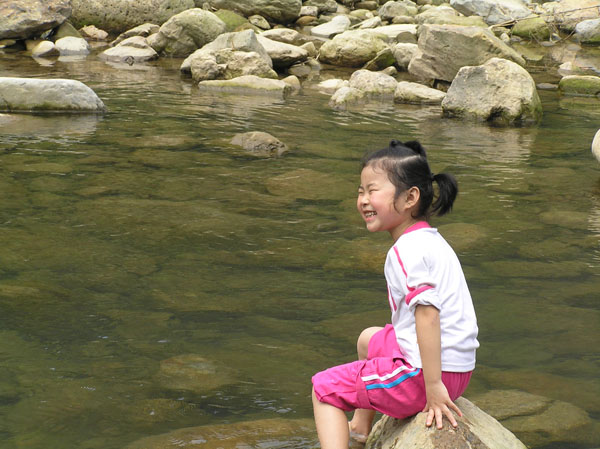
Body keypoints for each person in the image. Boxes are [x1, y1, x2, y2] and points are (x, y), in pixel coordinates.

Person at [311, 139, 479, 449]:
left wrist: (432, 387)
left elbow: (428, 315)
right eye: (360, 191)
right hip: (459, 370)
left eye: (372, 191)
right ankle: (360, 429)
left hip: (426, 377)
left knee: (324, 388)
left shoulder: (407, 250)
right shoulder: (431, 239)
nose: (363, 200)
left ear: (410, 197)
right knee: (368, 339)